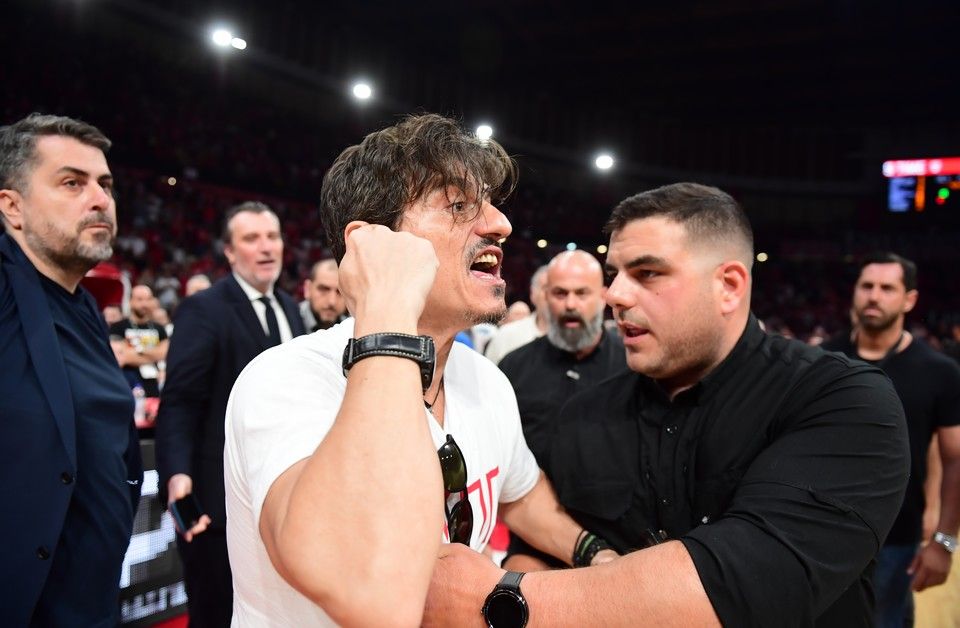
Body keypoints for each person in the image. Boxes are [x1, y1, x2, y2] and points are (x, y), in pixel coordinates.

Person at [424, 182, 910, 627]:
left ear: (729, 286)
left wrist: (500, 598)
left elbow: (748, 583)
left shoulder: (841, 400)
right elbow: (540, 553)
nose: (615, 295)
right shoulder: (584, 414)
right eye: (614, 274)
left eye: (647, 273)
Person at [223, 114, 602, 627]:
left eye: (490, 203)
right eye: (459, 206)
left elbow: (522, 491)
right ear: (369, 242)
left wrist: (593, 551)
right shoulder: (284, 379)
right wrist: (387, 307)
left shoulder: (487, 379)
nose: (500, 224)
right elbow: (371, 594)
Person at [0, 113, 142, 626]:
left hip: (93, 602)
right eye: (72, 183)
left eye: (105, 184)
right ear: (12, 207)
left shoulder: (83, 305)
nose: (100, 198)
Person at [156, 201, 306, 627]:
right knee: (216, 614)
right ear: (229, 251)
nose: (266, 247)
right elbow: (180, 401)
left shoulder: (290, 309)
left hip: (283, 499)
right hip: (219, 504)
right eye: (251, 238)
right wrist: (177, 476)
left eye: (272, 236)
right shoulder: (204, 309)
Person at [823, 253, 960, 628]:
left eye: (887, 288)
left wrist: (944, 541)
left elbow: (954, 459)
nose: (874, 296)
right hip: (822, 533)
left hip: (896, 537)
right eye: (866, 286)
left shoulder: (939, 372)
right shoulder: (822, 360)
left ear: (909, 299)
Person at [499, 249, 627, 571]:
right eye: (560, 293)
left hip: (622, 533)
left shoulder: (633, 366)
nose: (570, 304)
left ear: (603, 296)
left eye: (581, 293)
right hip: (536, 534)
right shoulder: (514, 367)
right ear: (545, 297)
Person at [110, 283, 169, 397]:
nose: (144, 304)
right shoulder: (118, 327)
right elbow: (121, 357)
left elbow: (165, 353)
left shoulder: (159, 328)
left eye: (148, 299)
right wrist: (154, 354)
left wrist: (137, 350)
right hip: (127, 383)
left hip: (153, 385)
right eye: (139, 299)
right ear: (130, 301)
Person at [483, 264, 548, 364]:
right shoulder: (506, 336)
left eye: (560, 291)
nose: (551, 295)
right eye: (546, 288)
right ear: (533, 293)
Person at [300, 258, 347, 332]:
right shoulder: (287, 321)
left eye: (340, 292)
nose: (332, 301)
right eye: (324, 289)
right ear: (307, 289)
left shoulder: (353, 329)